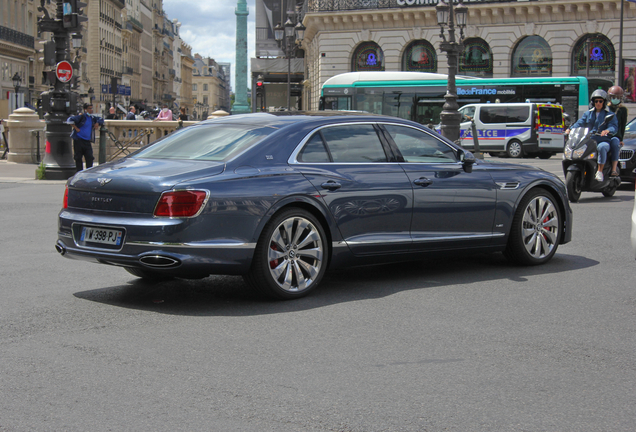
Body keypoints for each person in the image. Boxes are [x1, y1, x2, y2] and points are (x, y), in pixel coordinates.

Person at [565, 89, 619, 182]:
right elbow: (580, 123)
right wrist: (570, 129)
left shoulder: (610, 114)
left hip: (603, 140)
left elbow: (613, 126)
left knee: (602, 147)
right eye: (596, 101)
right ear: (593, 102)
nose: (598, 103)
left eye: (600, 101)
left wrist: (607, 130)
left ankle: (599, 172)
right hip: (590, 140)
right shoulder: (588, 113)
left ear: (604, 102)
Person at [67, 103, 104, 172]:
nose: (91, 110)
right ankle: (79, 172)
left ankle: (88, 172)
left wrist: (97, 123)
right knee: (78, 157)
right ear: (85, 110)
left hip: (87, 141)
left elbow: (101, 119)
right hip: (79, 140)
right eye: (89, 108)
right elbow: (69, 120)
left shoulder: (92, 118)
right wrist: (76, 128)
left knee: (89, 157)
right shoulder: (82, 117)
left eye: (91, 108)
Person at [608, 86, 629, 175]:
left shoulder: (623, 110)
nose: (615, 99)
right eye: (613, 97)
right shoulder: (605, 108)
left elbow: (622, 125)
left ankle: (613, 169)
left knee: (615, 145)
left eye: (617, 97)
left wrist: (621, 139)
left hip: (615, 136)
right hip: (604, 135)